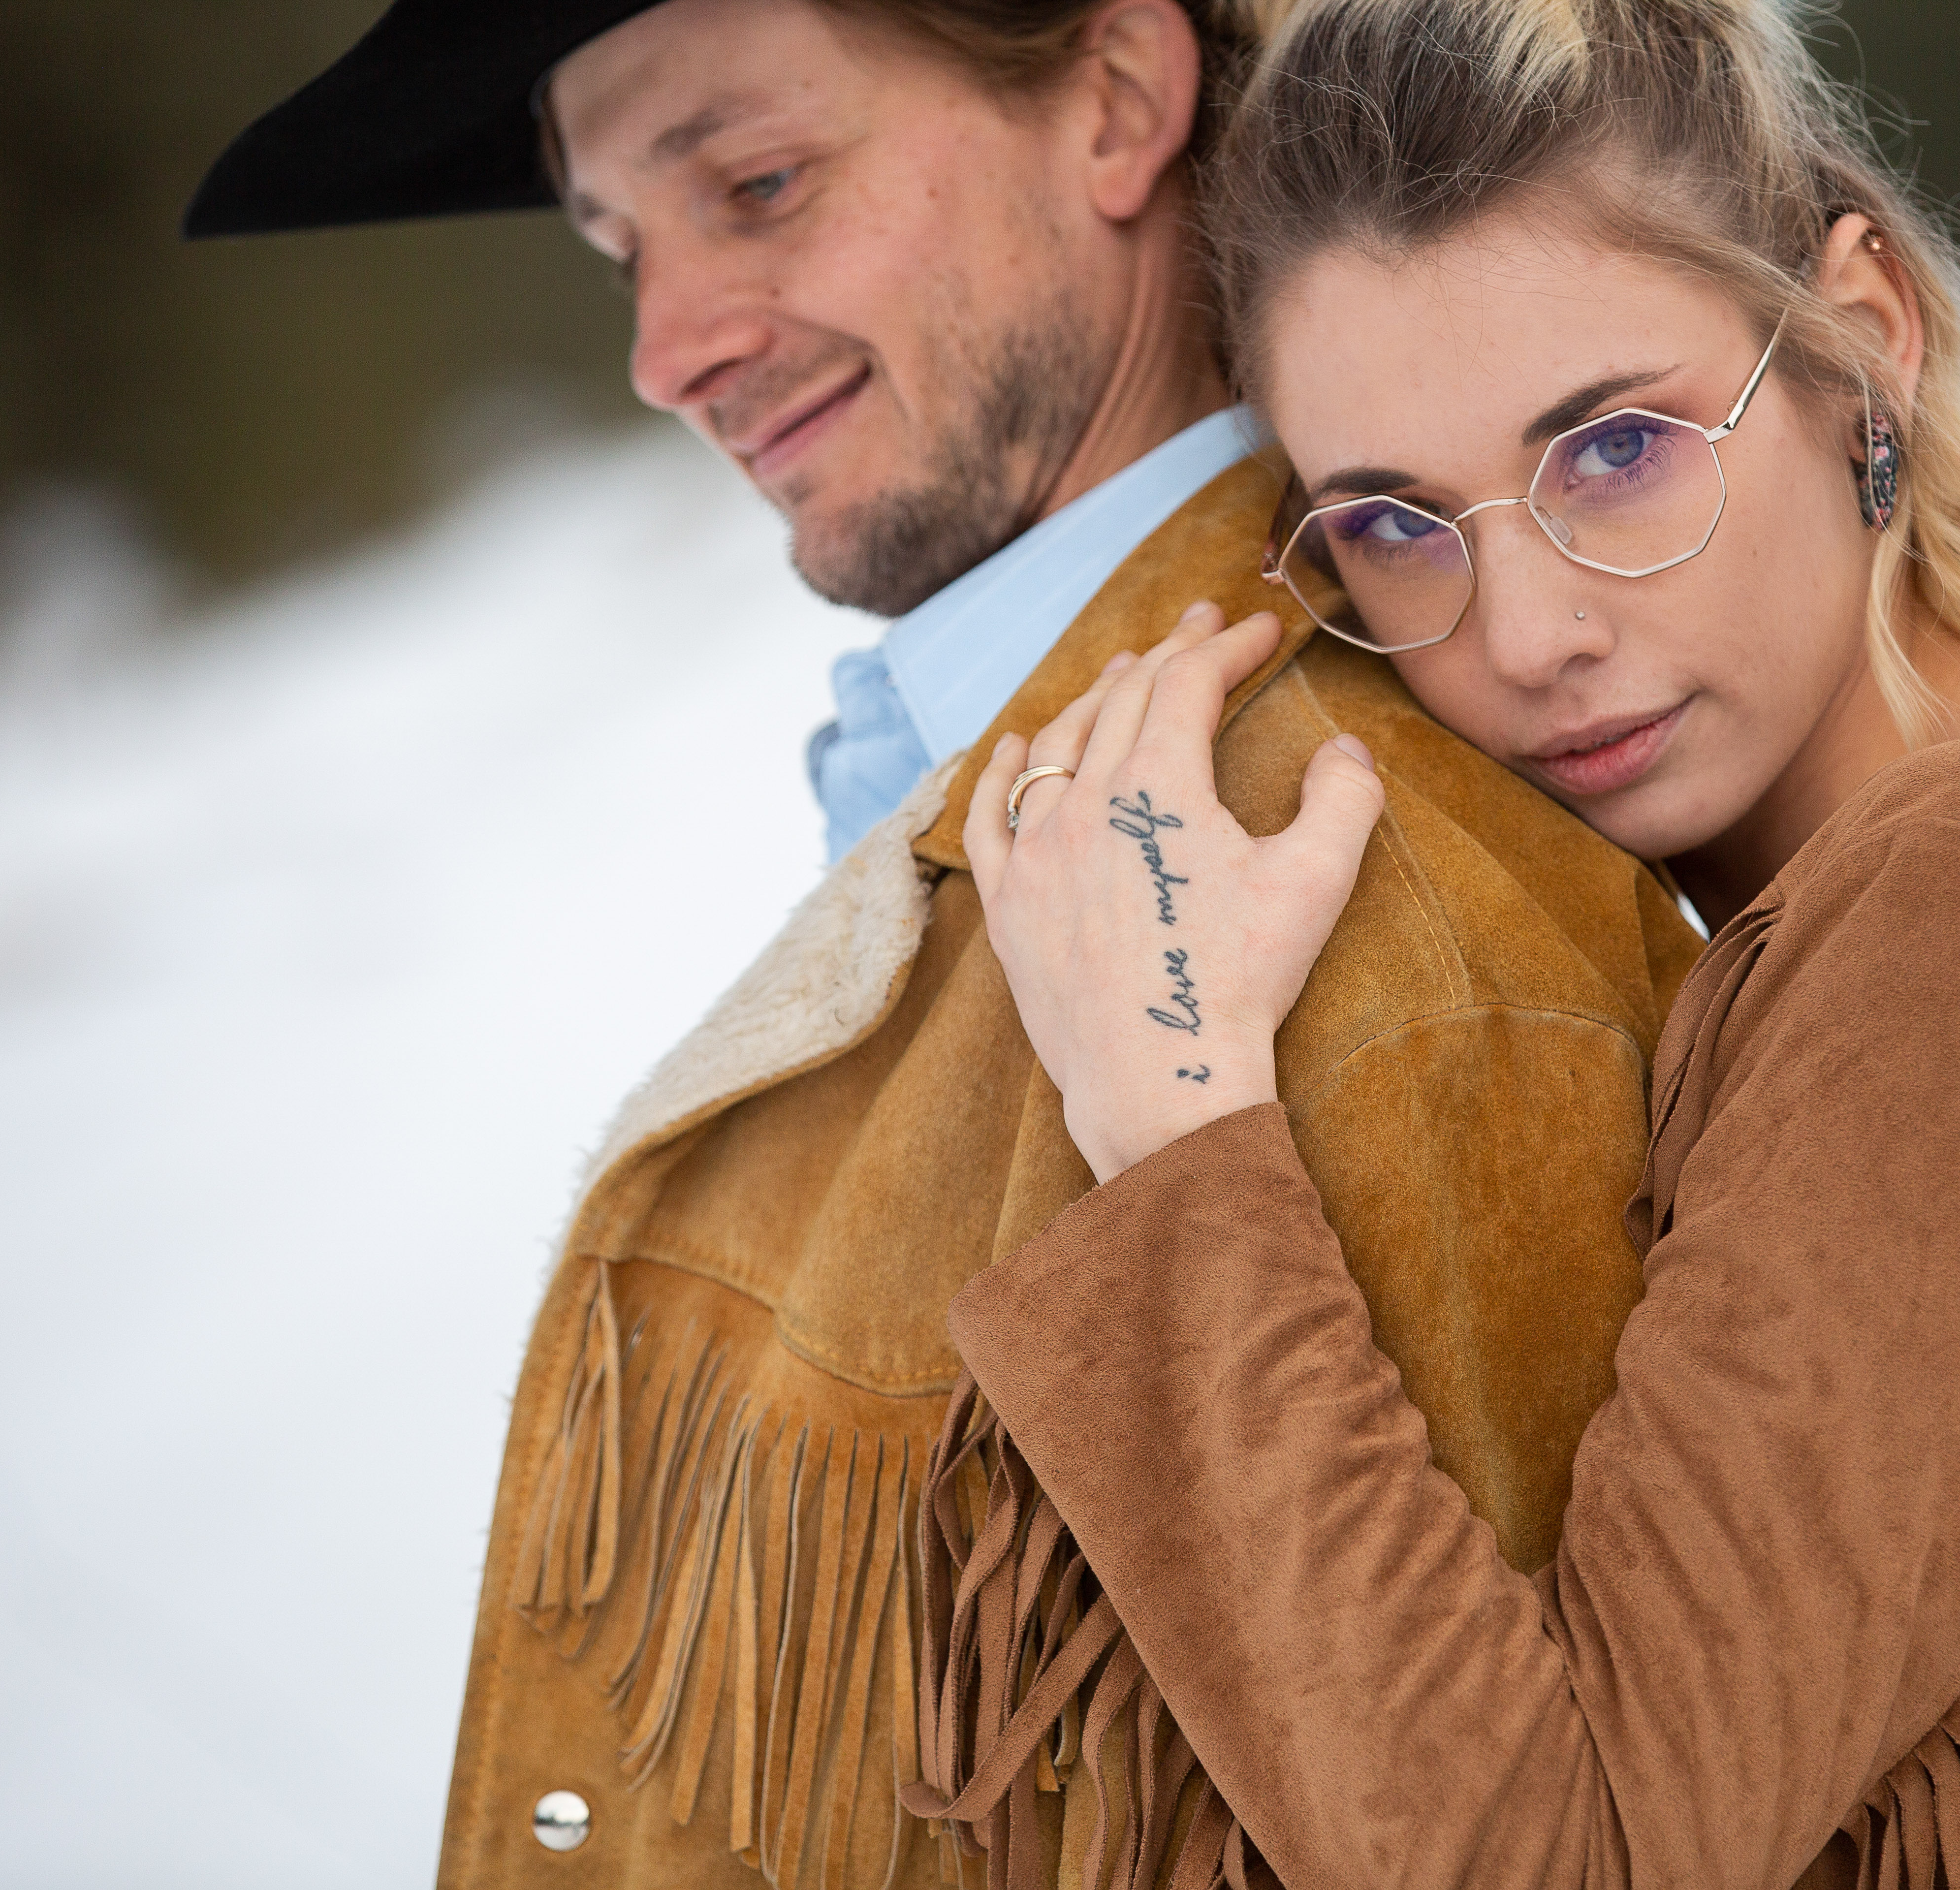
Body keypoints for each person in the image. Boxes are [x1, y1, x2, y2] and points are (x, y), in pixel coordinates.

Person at [946, 0, 1960, 1883]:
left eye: (1613, 449)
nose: (1525, 634)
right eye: (1391, 521)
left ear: (1863, 339)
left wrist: (1171, 1109)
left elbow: (1566, 1850)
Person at [188, 0, 1703, 1884]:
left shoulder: (1353, 887)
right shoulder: (1018, 768)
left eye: (756, 182)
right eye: (622, 250)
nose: (668, 351)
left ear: (1121, 98)